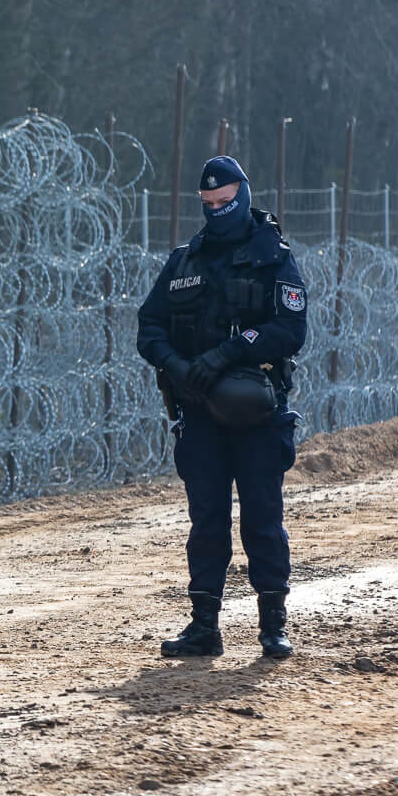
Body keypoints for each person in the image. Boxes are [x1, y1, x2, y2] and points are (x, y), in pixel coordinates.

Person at [136, 156, 307, 659]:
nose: (216, 211)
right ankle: (204, 626)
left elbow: (291, 329)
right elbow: (149, 326)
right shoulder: (185, 261)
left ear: (244, 196)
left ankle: (273, 624)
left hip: (257, 413)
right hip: (199, 411)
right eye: (208, 203)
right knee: (207, 522)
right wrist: (176, 365)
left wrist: (229, 353)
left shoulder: (273, 257)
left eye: (225, 201)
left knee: (262, 519)